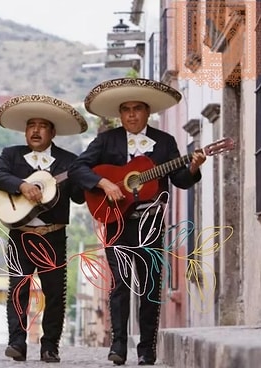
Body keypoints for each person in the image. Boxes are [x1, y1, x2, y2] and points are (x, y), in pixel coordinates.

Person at [68, 78, 206, 366]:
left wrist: (192, 167)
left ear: (147, 112)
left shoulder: (165, 142)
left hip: (151, 224)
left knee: (150, 286)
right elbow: (77, 168)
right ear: (120, 114)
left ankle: (147, 350)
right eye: (126, 109)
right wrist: (104, 183)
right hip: (116, 221)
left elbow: (179, 180)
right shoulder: (107, 140)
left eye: (137, 109)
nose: (131, 114)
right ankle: (118, 347)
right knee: (120, 284)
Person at [0, 94, 87, 363]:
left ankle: (49, 346)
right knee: (18, 288)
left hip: (53, 235)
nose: (35, 130)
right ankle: (17, 343)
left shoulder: (69, 161)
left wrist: (86, 177)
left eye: (42, 126)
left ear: (52, 132)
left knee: (54, 293)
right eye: (31, 125)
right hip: (20, 234)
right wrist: (21, 186)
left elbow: (78, 196)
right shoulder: (11, 155)